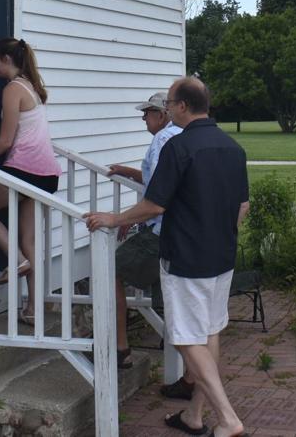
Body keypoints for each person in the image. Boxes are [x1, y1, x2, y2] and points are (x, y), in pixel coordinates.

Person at [84, 77, 250, 437]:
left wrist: (114, 219)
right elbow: (243, 205)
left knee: (188, 338)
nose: (167, 109)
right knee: (209, 332)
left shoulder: (179, 147)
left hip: (186, 258)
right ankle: (194, 415)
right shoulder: (232, 147)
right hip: (222, 256)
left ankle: (227, 418)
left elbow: (155, 204)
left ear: (182, 106)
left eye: (170, 103)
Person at [0, 37, 61, 322]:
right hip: (47, 173)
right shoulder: (31, 86)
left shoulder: (13, 89)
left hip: (26, 170)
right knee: (30, 240)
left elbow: (5, 141)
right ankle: (34, 310)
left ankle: (18, 259)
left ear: (7, 59)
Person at [104, 92, 183, 379]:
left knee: (110, 268)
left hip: (161, 229)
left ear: (162, 114)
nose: (143, 118)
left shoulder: (163, 140)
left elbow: (162, 193)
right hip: (175, 230)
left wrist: (127, 217)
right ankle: (184, 367)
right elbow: (159, 180)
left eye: (148, 113)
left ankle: (119, 347)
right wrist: (129, 172)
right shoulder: (177, 136)